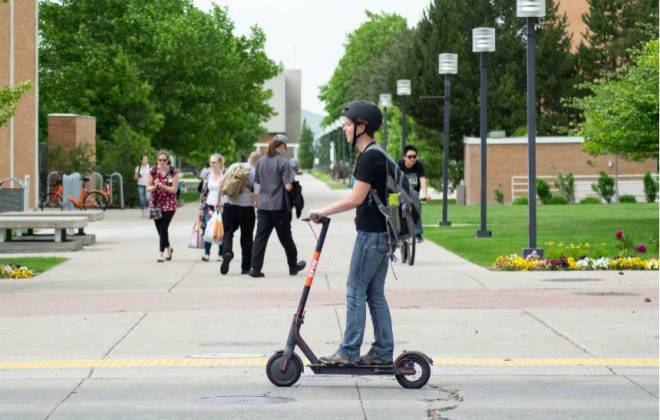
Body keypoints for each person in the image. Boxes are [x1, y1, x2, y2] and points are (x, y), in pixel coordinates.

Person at [309, 100, 393, 366]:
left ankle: (348, 352)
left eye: (347, 125)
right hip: (381, 234)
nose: (344, 129)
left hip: (371, 236)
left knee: (355, 290)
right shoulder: (374, 153)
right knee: (374, 293)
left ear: (361, 125)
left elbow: (356, 198)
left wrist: (323, 210)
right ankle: (382, 350)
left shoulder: (370, 156)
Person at [249, 135, 306, 278]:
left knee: (260, 238)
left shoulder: (260, 162)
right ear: (281, 147)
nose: (284, 151)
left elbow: (256, 185)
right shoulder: (283, 163)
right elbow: (288, 187)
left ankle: (255, 268)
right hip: (279, 207)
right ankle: (293, 266)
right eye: (284, 148)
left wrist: (257, 200)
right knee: (286, 238)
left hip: (263, 206)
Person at [219, 152, 258, 275]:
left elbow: (222, 183)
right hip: (247, 207)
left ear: (248, 158)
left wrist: (219, 201)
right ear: (256, 161)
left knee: (228, 232)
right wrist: (258, 205)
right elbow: (256, 192)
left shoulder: (234, 166)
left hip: (229, 204)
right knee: (246, 237)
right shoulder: (255, 171)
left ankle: (227, 252)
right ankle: (245, 267)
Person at [146, 150, 179, 262]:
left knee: (163, 228)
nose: (162, 162)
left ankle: (161, 254)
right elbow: (148, 187)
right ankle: (169, 249)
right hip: (156, 204)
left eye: (164, 160)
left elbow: (174, 190)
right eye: (160, 160)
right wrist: (155, 187)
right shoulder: (153, 171)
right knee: (160, 230)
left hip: (169, 204)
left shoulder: (173, 171)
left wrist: (163, 186)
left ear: (168, 160)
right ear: (157, 160)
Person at [398, 145, 429, 242]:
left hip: (413, 193)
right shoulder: (398, 165)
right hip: (398, 192)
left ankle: (417, 233)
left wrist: (425, 194)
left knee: (417, 206)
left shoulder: (418, 165)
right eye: (409, 156)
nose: (412, 159)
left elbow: (422, 179)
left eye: (414, 156)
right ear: (404, 157)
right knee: (393, 208)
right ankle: (395, 233)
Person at [199, 153, 225, 262]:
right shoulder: (207, 176)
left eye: (214, 162)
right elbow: (203, 192)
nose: (212, 164)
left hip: (221, 207)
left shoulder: (225, 176)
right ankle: (206, 253)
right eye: (211, 162)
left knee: (220, 230)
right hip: (209, 205)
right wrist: (200, 207)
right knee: (207, 229)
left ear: (220, 163)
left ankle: (221, 254)